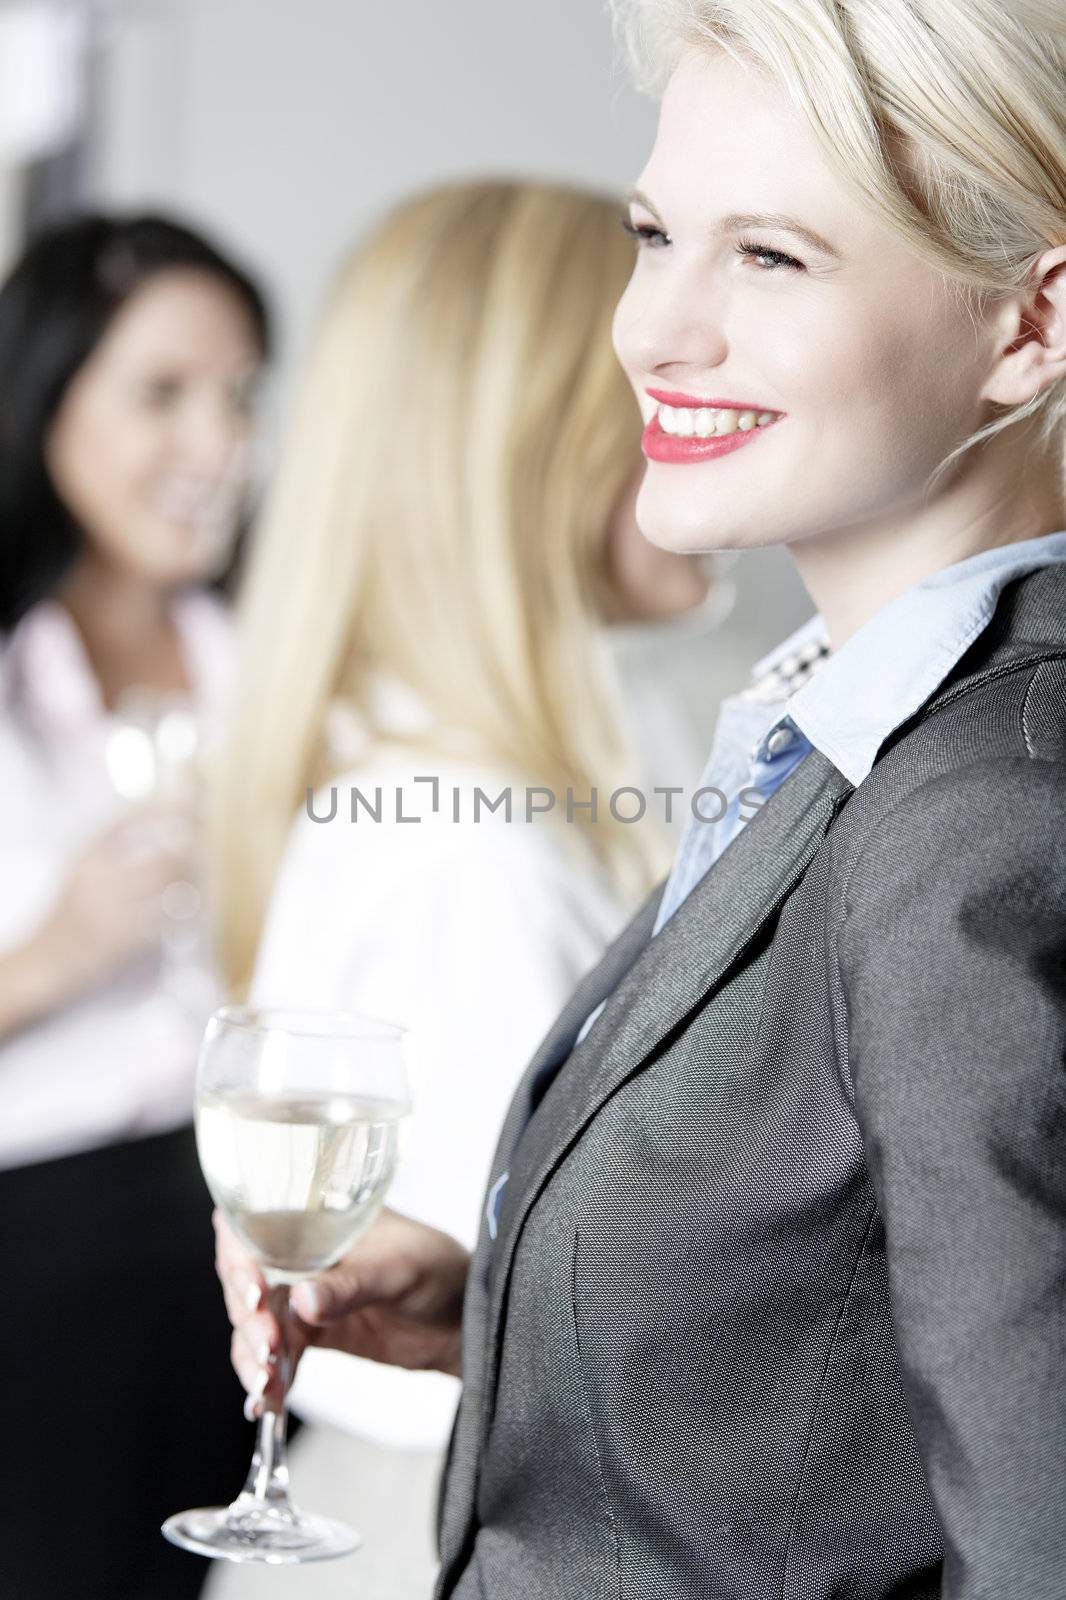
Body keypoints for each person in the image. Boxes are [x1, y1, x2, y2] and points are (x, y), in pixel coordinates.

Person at [218, 2, 1066, 1595]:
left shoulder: (982, 814)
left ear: (1029, 324)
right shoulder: (837, 736)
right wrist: (506, 1308)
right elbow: (855, 1371)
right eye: (654, 233)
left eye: (770, 259)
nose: (651, 331)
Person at [205, 178, 716, 1599]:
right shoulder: (475, 843)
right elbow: (603, 1290)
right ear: (533, 448)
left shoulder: (441, 770)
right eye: (652, 391)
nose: (703, 427)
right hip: (446, 1523)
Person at [0, 212, 269, 1599]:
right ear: (46, 395)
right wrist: (57, 952)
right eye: (161, 393)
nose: (215, 444)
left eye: (237, 394)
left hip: (239, 1225)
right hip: (34, 1241)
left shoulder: (274, 652)